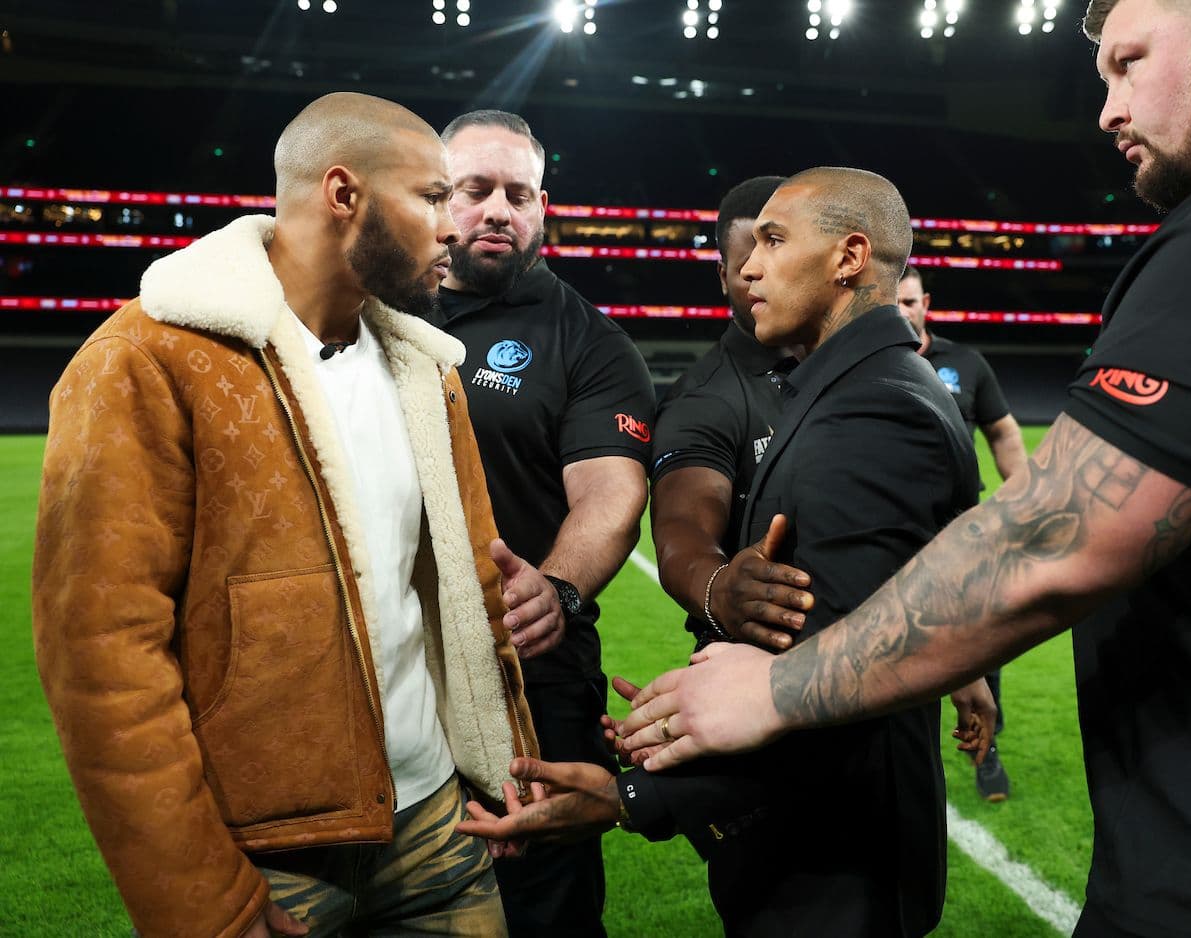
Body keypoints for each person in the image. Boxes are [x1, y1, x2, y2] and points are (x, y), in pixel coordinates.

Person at [616, 2, 1191, 935]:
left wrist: (657, 781)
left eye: (1131, 63)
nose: (1107, 110)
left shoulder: (877, 400)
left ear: (851, 259)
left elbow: (1050, 544)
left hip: (858, 848)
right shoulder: (853, 384)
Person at [32, 92, 551, 938]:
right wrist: (198, 901)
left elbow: (468, 592)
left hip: (435, 828)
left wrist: (499, 764)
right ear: (343, 195)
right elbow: (103, 660)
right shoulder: (146, 360)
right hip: (264, 851)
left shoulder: (429, 370)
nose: (453, 225)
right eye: (430, 197)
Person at [460, 167, 996, 937]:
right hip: (818, 822)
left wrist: (632, 797)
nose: (749, 268)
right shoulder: (870, 388)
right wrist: (711, 614)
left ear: (849, 258)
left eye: (774, 242)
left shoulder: (876, 407)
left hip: (838, 846)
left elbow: (837, 677)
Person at [431, 109, 656, 937]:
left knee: (541, 905)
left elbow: (609, 491)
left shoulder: (589, 342)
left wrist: (555, 588)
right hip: (386, 668)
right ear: (434, 198)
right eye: (475, 190)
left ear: (543, 207)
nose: (498, 210)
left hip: (530, 670)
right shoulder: (372, 311)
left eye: (517, 194)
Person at [651, 175, 815, 654]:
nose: (758, 273)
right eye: (744, 264)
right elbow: (683, 529)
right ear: (722, 276)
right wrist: (719, 588)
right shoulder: (703, 398)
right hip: (749, 666)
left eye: (777, 254)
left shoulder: (848, 374)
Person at [898, 264, 1027, 801]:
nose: (903, 311)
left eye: (910, 302)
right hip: (897, 532)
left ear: (926, 302)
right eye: (893, 303)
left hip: (963, 530)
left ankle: (986, 754)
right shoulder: (869, 365)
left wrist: (1022, 502)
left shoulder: (965, 363)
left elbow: (1002, 431)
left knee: (978, 642)